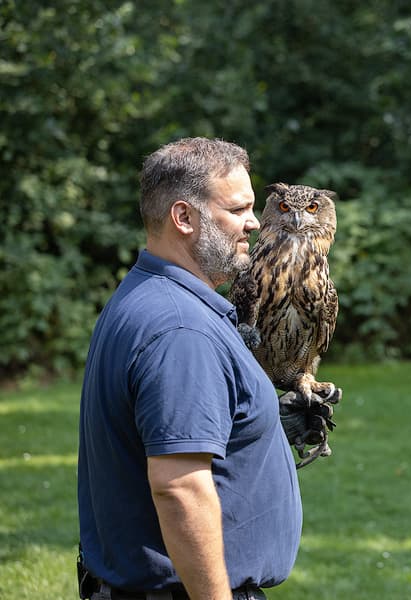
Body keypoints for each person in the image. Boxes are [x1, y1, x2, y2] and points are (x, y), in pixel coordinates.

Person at [78, 137, 301, 600]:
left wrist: (261, 428)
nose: (255, 223)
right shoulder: (181, 330)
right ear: (184, 218)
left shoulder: (148, 295)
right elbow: (180, 488)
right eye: (238, 210)